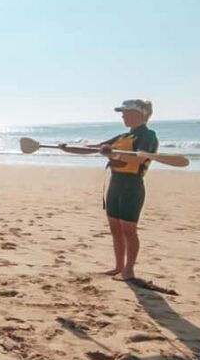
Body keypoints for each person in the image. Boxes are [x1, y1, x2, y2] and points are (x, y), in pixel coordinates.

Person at [61, 99, 157, 281]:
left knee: (129, 230)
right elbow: (94, 149)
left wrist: (113, 154)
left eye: (126, 112)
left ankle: (129, 270)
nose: (122, 116)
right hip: (115, 184)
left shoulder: (148, 136)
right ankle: (118, 266)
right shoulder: (122, 137)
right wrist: (67, 149)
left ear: (139, 114)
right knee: (115, 229)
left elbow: (138, 159)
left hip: (132, 186)